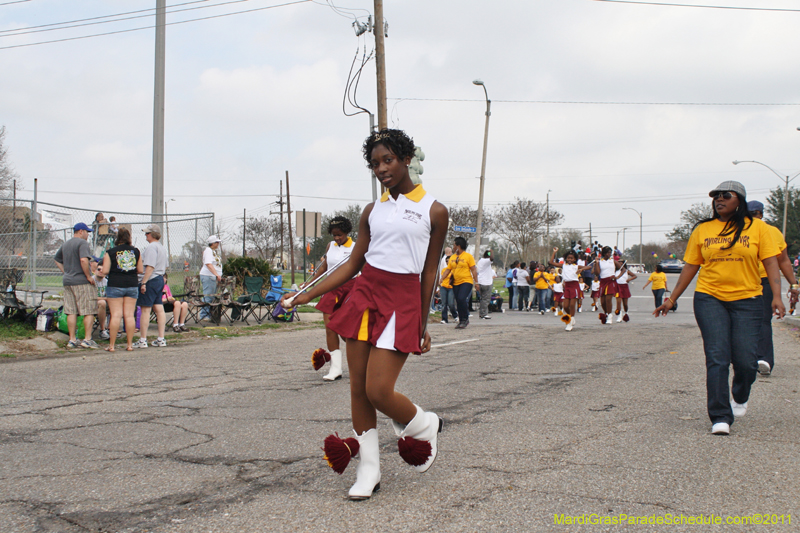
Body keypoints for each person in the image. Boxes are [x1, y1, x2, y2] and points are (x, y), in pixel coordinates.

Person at [281, 128, 448, 501]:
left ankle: (424, 423)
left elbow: (430, 272)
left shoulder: (434, 210)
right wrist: (306, 294)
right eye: (375, 164)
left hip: (402, 301)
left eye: (388, 160)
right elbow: (353, 264)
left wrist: (423, 323)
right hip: (365, 295)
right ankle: (368, 469)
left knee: (378, 390)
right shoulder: (372, 211)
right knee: (358, 389)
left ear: (406, 159)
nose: (382, 169)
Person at [654, 181, 783, 436]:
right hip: (709, 298)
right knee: (717, 357)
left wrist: (777, 296)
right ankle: (720, 415)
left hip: (748, 300)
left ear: (740, 201)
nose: (718, 200)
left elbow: (771, 263)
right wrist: (672, 298)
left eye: (726, 195)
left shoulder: (758, 229)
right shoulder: (703, 229)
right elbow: (690, 266)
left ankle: (740, 394)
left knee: (746, 361)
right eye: (715, 196)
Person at [748, 201, 799, 376]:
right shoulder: (773, 232)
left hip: (745, 281)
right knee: (763, 320)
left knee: (743, 320)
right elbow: (784, 260)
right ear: (761, 213)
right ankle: (764, 359)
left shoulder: (740, 230)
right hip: (767, 281)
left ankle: (747, 358)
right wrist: (793, 284)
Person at [309, 216, 357, 381]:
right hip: (331, 288)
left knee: (346, 331)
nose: (337, 238)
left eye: (340, 235)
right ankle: (335, 369)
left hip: (350, 288)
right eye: (334, 235)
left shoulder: (357, 247)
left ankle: (361, 359)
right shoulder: (331, 246)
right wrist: (309, 282)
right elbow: (324, 267)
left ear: (347, 232)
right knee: (330, 327)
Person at [54, 223, 99, 349]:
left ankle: (72, 339)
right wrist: (88, 276)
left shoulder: (66, 244)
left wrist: (66, 272)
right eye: (86, 232)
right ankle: (87, 339)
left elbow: (57, 260)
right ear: (80, 231)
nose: (87, 235)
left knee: (71, 311)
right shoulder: (82, 243)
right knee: (89, 310)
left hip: (68, 281)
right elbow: (84, 260)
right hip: (81, 281)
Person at [97, 227, 142, 352]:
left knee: (116, 315)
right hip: (132, 285)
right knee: (129, 315)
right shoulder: (136, 251)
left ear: (118, 238)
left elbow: (105, 271)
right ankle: (129, 345)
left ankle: (111, 345)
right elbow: (140, 270)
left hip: (115, 284)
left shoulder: (110, 252)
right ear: (129, 238)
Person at [134, 224, 168, 348]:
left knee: (145, 310)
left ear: (153, 234)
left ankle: (143, 340)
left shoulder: (151, 247)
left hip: (151, 279)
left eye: (147, 233)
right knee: (159, 308)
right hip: (159, 279)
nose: (146, 235)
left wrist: (143, 282)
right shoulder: (161, 247)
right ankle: (161, 338)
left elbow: (150, 266)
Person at [549, 248, 591, 331]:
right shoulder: (563, 265)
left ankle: (570, 321)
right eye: (568, 258)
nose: (570, 259)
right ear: (565, 258)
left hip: (574, 286)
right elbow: (551, 262)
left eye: (572, 258)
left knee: (572, 305)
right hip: (567, 286)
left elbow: (589, 267)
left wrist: (581, 269)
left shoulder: (576, 266)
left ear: (575, 259)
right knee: (565, 306)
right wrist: (554, 252)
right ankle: (570, 317)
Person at [441, 236, 477, 329]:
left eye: (454, 245)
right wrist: (441, 279)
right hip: (455, 282)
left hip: (466, 281)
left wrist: (476, 282)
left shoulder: (468, 256)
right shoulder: (452, 257)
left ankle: (465, 319)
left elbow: (473, 270)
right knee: (458, 301)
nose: (453, 247)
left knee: (461, 298)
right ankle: (462, 320)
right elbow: (448, 270)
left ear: (458, 246)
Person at [199, 235, 223, 321]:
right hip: (208, 276)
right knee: (208, 295)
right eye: (217, 242)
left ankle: (210, 314)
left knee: (212, 297)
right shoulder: (208, 251)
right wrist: (216, 274)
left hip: (212, 277)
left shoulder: (213, 251)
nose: (218, 244)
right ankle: (204, 315)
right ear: (212, 243)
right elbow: (208, 264)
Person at [476, 250, 495, 319]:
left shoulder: (480, 261)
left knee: (482, 299)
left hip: (481, 281)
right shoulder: (486, 261)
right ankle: (483, 314)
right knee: (486, 299)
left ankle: (482, 313)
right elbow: (492, 258)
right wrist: (491, 252)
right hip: (486, 282)